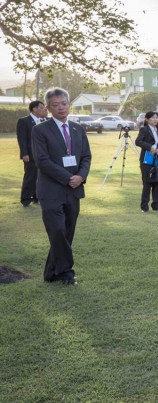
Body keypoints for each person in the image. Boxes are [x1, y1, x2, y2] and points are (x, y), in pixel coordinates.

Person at [32, 88, 91, 284]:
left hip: (74, 189)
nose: (61, 108)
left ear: (68, 104)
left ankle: (51, 273)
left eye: (64, 104)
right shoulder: (39, 130)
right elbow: (42, 161)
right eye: (55, 105)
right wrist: (68, 178)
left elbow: (86, 157)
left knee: (66, 232)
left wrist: (80, 176)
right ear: (48, 108)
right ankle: (66, 272)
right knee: (57, 230)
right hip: (51, 190)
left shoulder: (77, 129)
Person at [17, 100, 48, 207]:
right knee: (30, 177)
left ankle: (36, 197)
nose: (44, 109)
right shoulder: (24, 121)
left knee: (40, 177)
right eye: (41, 107)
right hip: (30, 155)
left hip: (43, 155)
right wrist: (24, 154)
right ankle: (25, 199)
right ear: (34, 109)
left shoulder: (44, 121)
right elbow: (22, 139)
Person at [135, 111, 158, 212]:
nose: (155, 119)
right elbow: (138, 141)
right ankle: (144, 206)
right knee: (147, 183)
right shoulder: (144, 129)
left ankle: (156, 205)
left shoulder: (157, 130)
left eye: (156, 117)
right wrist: (150, 147)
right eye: (153, 118)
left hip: (157, 159)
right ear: (147, 119)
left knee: (157, 182)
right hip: (146, 160)